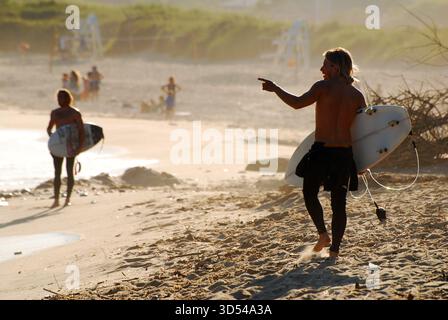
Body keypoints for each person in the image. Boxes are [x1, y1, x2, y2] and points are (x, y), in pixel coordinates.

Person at [259, 47, 366, 258]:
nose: (321, 69)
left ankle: (323, 234)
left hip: (322, 151)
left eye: (325, 65)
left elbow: (297, 103)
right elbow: (363, 131)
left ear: (335, 67)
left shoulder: (322, 87)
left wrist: (276, 88)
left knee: (309, 193)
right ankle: (334, 250)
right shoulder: (357, 96)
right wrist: (364, 162)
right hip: (344, 154)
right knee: (339, 205)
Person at [47, 89, 85, 208]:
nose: (59, 100)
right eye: (58, 98)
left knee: (69, 172)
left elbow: (81, 130)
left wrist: (79, 146)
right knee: (57, 173)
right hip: (59, 147)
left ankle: (67, 199)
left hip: (71, 146)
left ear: (68, 99)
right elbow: (49, 128)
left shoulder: (75, 113)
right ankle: (56, 200)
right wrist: (54, 140)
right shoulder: (55, 113)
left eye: (62, 98)